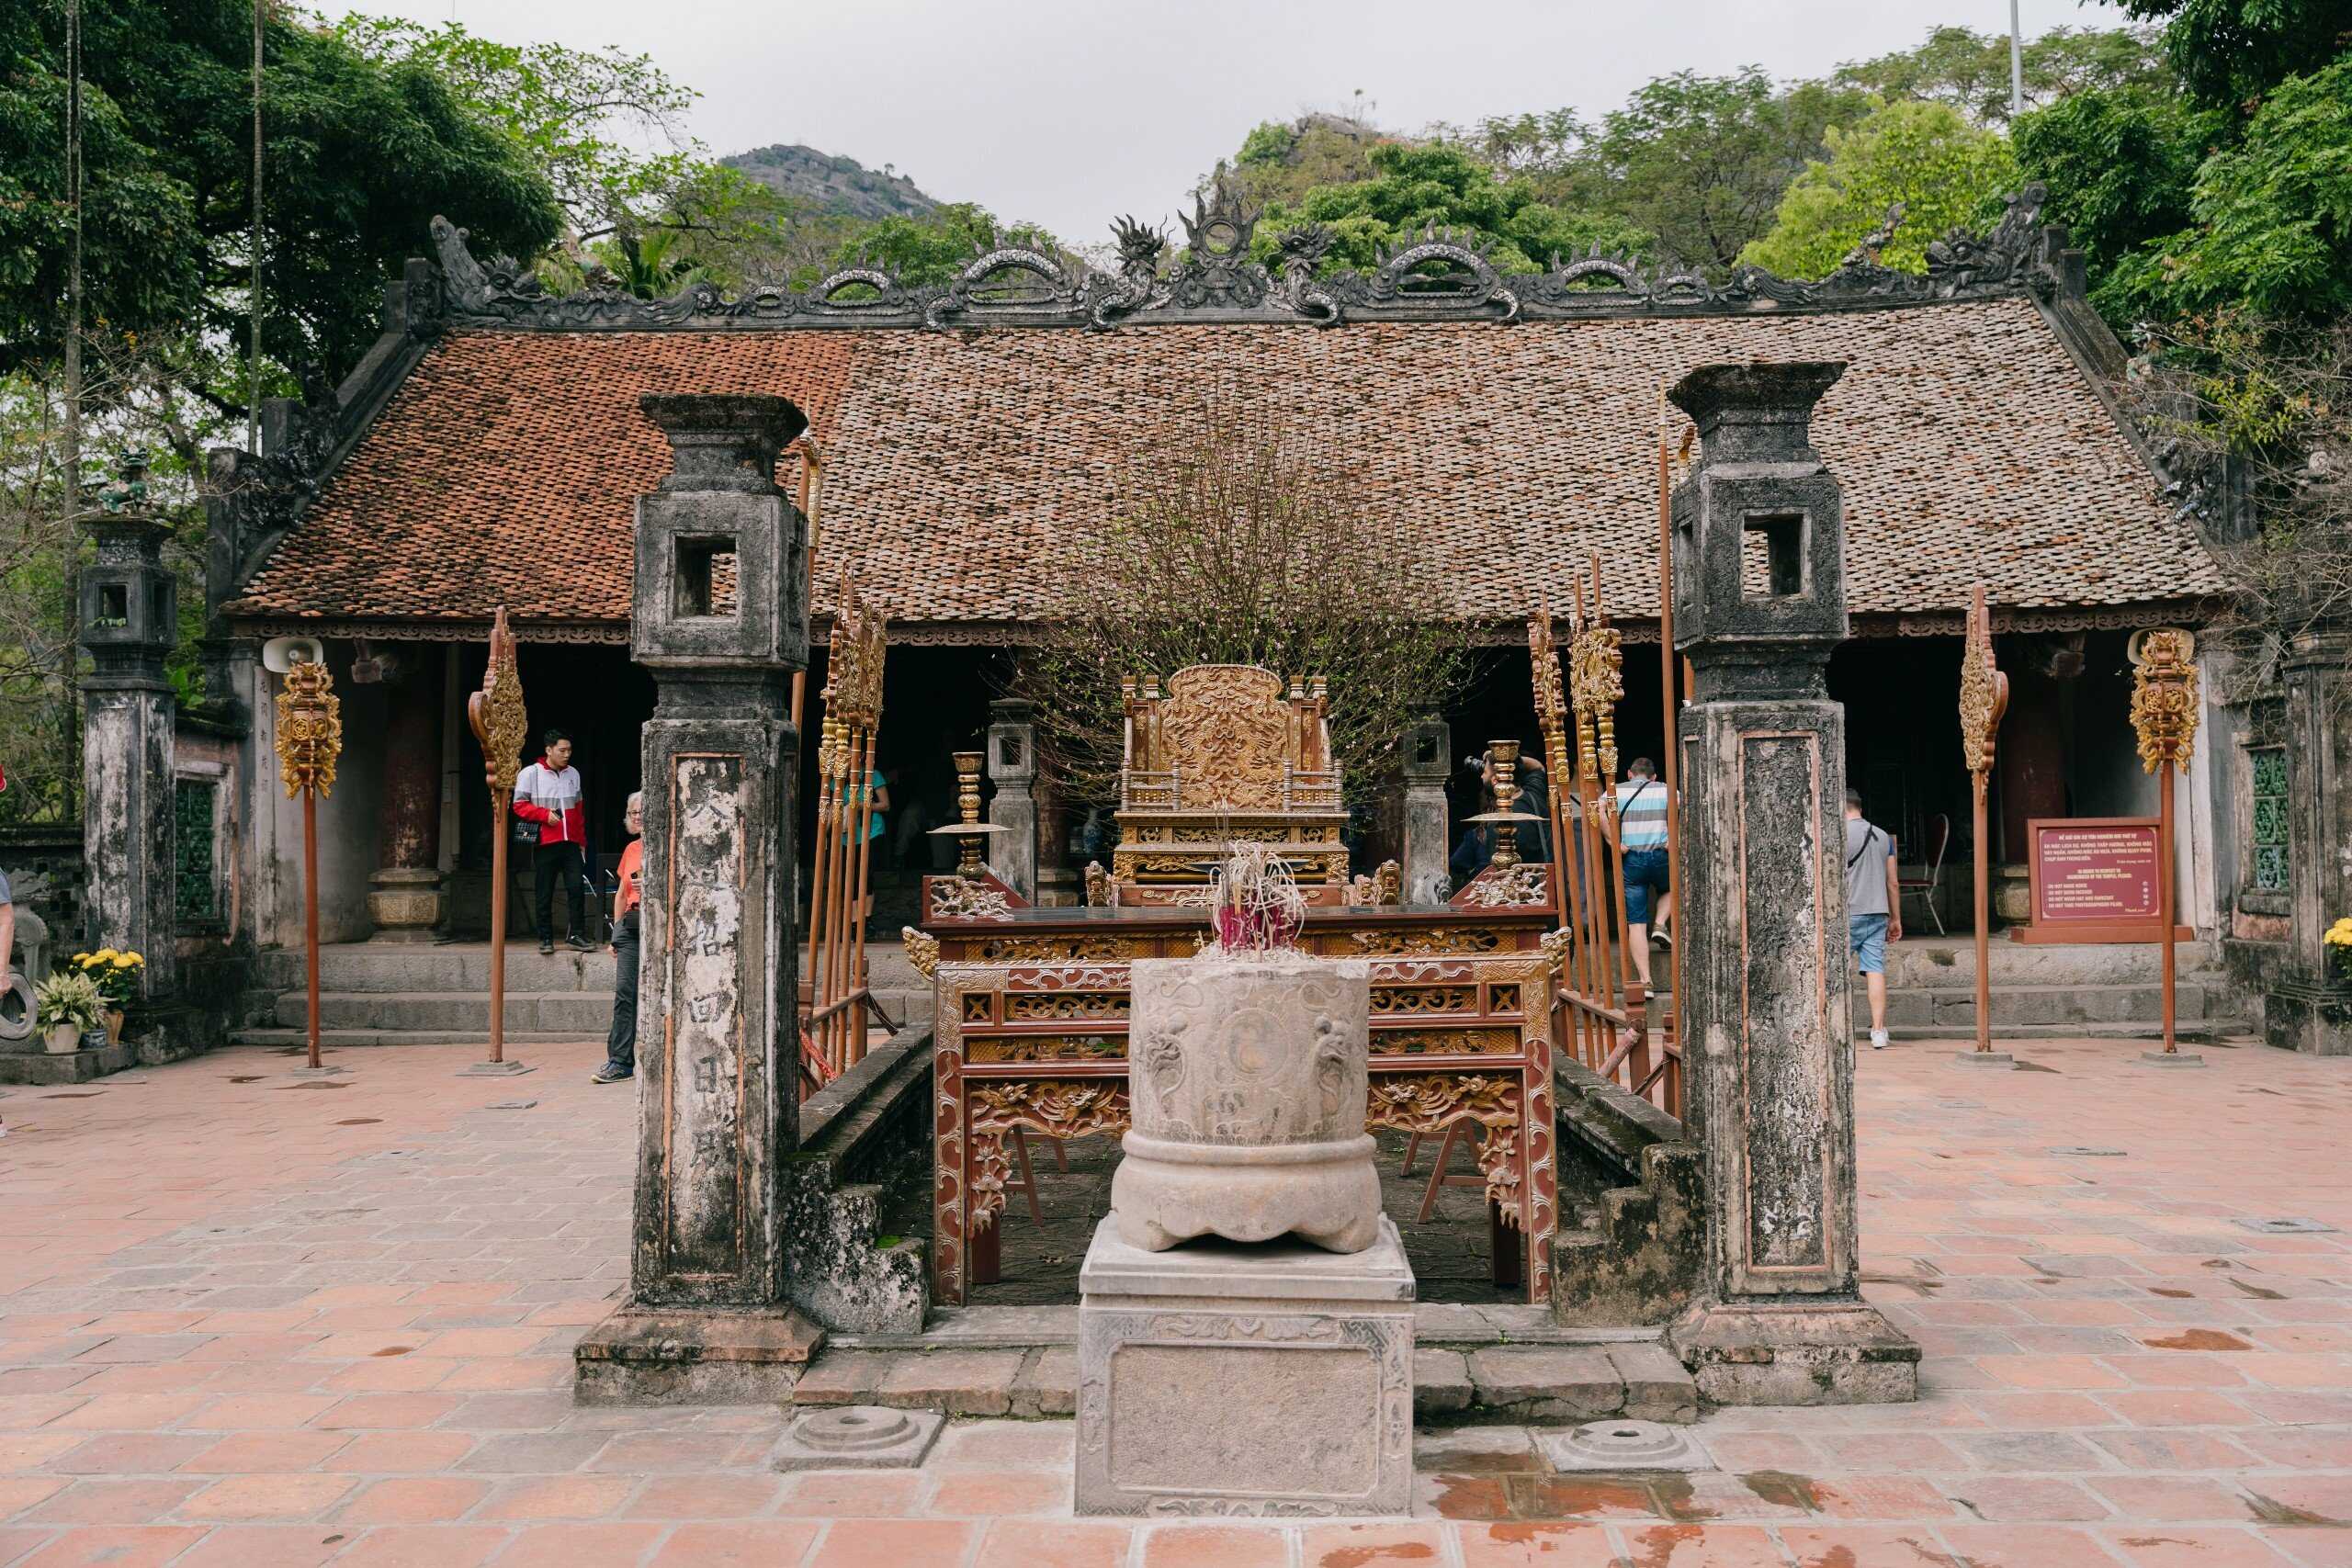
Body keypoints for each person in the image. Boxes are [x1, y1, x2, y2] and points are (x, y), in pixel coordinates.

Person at [514, 728, 594, 954]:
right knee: (544, 892)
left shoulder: (573, 773)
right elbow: (519, 805)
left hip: (571, 843)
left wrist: (582, 841)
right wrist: (543, 815)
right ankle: (545, 938)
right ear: (549, 750)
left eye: (569, 750)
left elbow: (579, 810)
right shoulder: (531, 773)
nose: (567, 754)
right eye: (562, 750)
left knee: (576, 889)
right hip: (545, 842)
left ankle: (576, 934)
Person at [1845, 788, 1903, 1049]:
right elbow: (1893, 882)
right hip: (1878, 912)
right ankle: (1878, 1031)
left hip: (1848, 912)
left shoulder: (1837, 834)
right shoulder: (1883, 836)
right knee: (1875, 969)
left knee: (1831, 969)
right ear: (1860, 807)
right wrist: (1895, 918)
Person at [593, 792, 644, 1084]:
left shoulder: (669, 847)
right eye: (633, 812)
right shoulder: (631, 849)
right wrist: (616, 931)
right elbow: (622, 893)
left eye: (642, 811)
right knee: (625, 993)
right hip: (630, 925)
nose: (637, 816)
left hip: (658, 924)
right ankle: (621, 1061)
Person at [1611, 758, 1673, 987]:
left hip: (1632, 859)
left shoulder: (1616, 791)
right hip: (1661, 855)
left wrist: (1613, 842)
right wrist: (1673, 839)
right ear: (1653, 776)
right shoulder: (1665, 790)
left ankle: (1645, 981)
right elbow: (1685, 810)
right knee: (1673, 886)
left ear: (1629, 773)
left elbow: (1597, 811)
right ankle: (1659, 923)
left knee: (1636, 922)